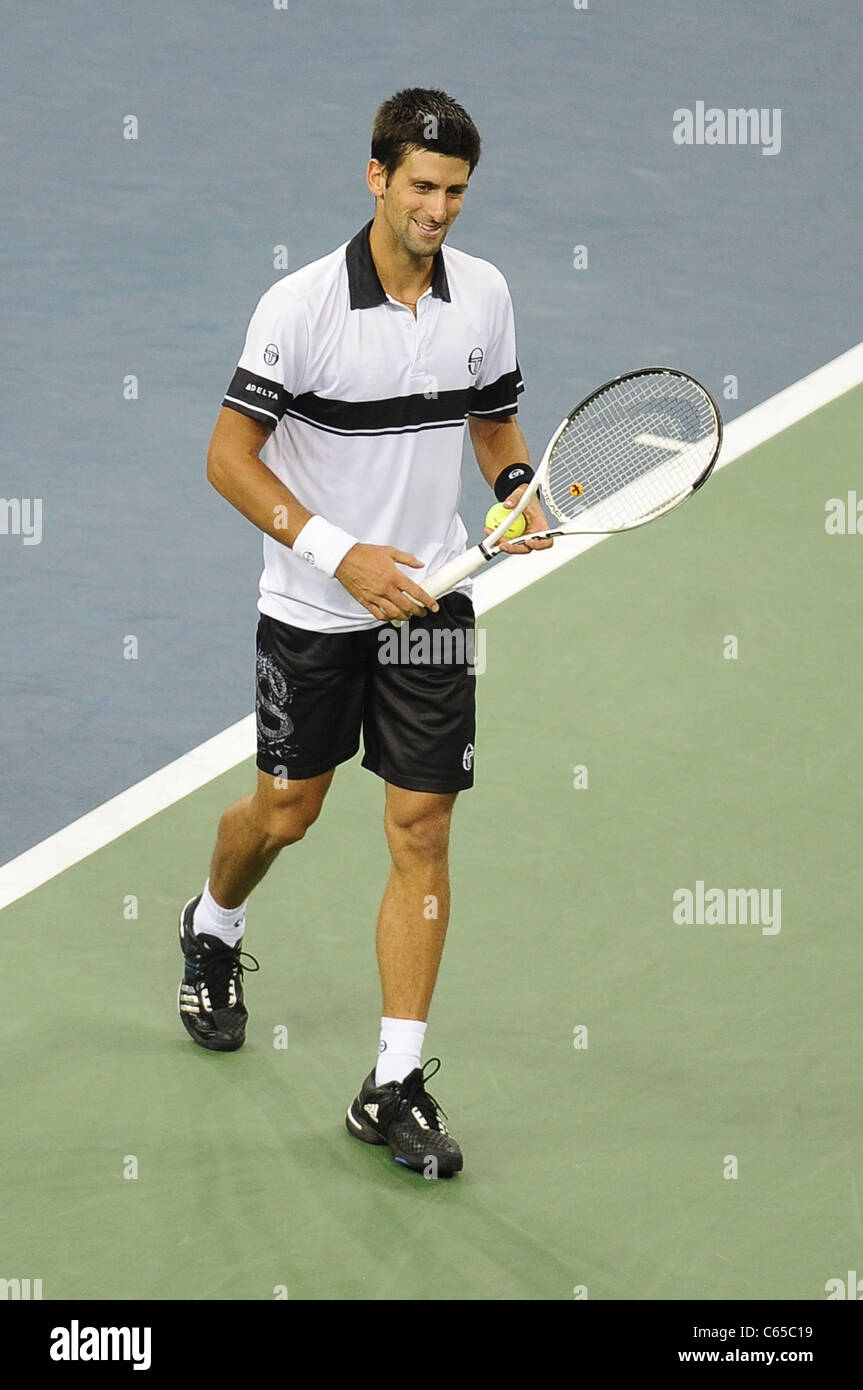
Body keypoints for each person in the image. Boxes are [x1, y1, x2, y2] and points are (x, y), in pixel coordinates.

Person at [178, 87, 552, 1176]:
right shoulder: (297, 308)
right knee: (286, 810)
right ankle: (212, 922)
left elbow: (491, 422)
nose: (438, 210)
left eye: (456, 192)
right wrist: (337, 552)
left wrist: (517, 483)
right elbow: (228, 460)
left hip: (430, 601)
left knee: (422, 829)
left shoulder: (480, 295)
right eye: (422, 187)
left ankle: (391, 1082)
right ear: (377, 177)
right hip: (312, 608)